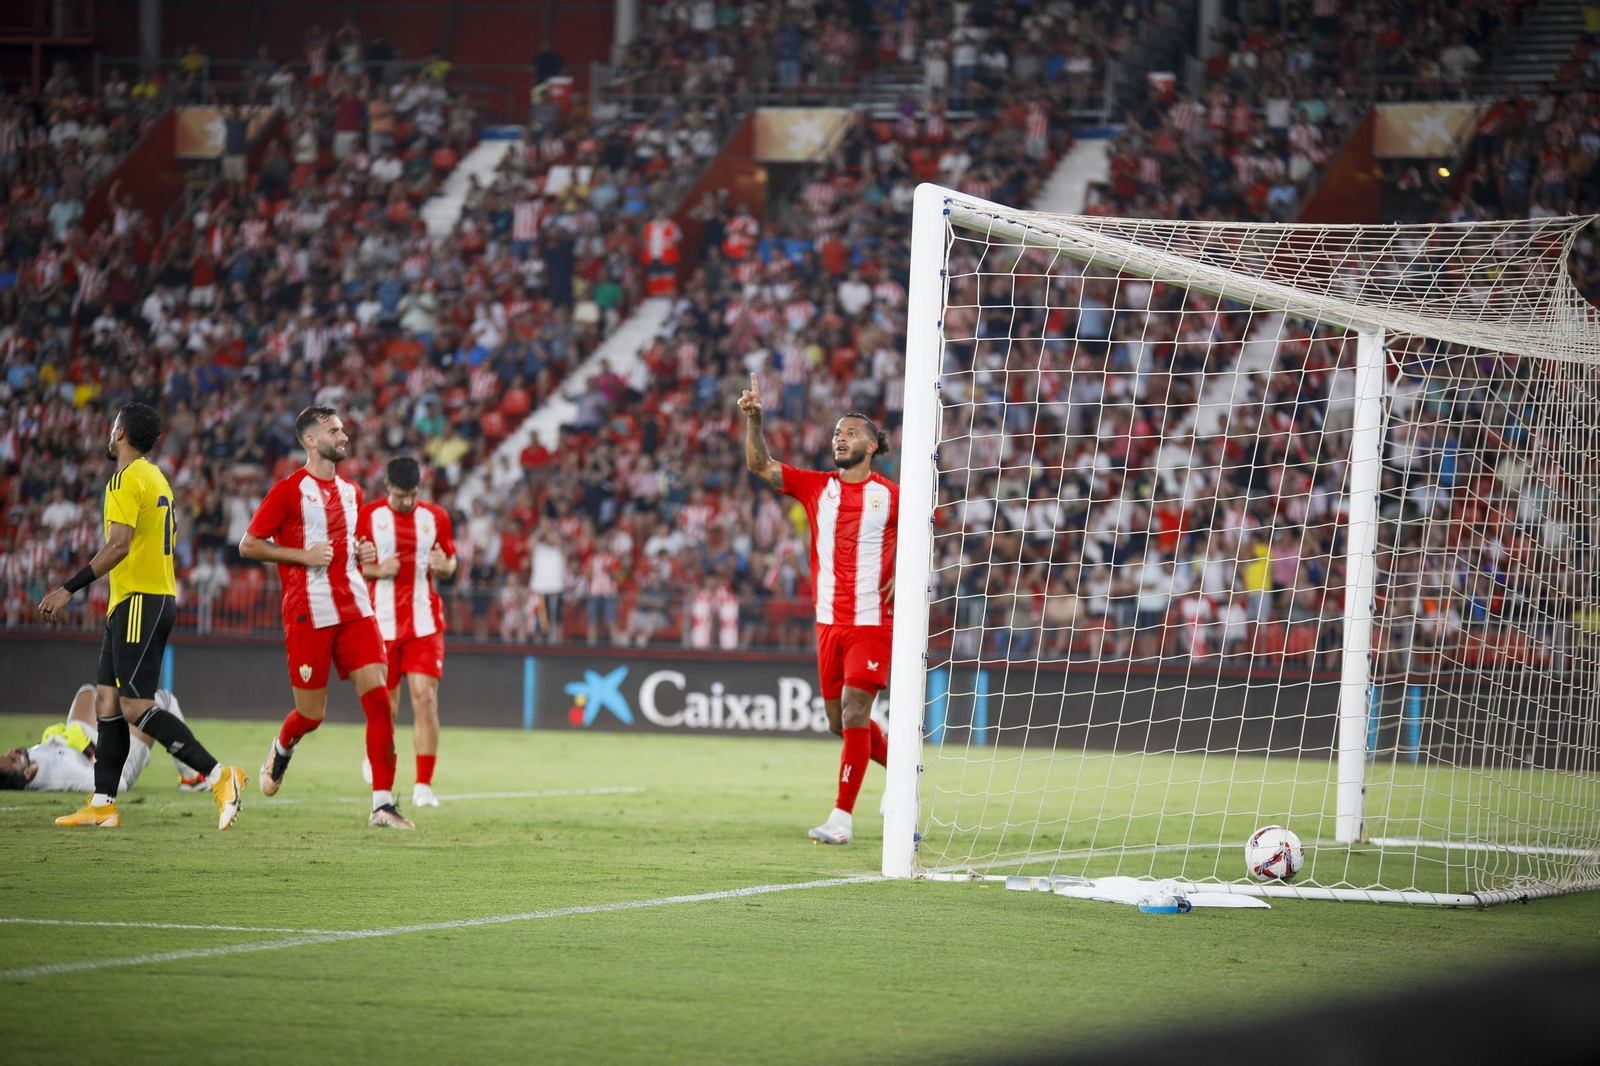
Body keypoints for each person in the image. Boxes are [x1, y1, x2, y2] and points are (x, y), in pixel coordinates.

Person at [35, 402, 247, 829]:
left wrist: (67, 589)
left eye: (113, 425)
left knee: (133, 705)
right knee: (107, 702)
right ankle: (102, 803)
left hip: (140, 601)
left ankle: (220, 774)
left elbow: (118, 545)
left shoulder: (125, 479)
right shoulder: (155, 475)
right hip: (139, 600)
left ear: (120, 434)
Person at [738, 374, 898, 845]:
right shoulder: (815, 488)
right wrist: (755, 420)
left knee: (853, 710)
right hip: (828, 623)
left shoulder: (892, 495)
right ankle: (907, 775)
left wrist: (906, 573)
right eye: (836, 433)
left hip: (872, 622)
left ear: (871, 445)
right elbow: (759, 463)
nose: (839, 438)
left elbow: (931, 539)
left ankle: (841, 819)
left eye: (850, 432)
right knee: (839, 722)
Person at [239, 405, 413, 830]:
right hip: (308, 612)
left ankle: (382, 805)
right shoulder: (287, 491)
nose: (344, 437)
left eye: (343, 430)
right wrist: (302, 556)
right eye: (334, 431)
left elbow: (347, 544)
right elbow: (249, 544)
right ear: (311, 440)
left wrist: (362, 552)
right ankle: (282, 746)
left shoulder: (353, 492)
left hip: (356, 607)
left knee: (379, 703)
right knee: (311, 716)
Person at [355, 456, 458, 808]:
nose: (406, 501)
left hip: (424, 624)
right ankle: (375, 752)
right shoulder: (368, 516)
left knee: (426, 701)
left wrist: (446, 567)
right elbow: (349, 567)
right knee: (387, 706)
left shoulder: (436, 518)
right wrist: (376, 569)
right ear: (387, 487)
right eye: (400, 495)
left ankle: (423, 786)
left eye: (411, 494)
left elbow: (450, 561)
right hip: (380, 623)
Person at [1, 685, 199, 793]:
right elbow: (116, 783)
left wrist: (57, 739)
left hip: (88, 746)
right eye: (13, 760)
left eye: (5, 754)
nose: (12, 751)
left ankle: (124, 714)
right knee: (163, 700)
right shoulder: (62, 772)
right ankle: (191, 779)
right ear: (27, 774)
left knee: (88, 692)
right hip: (117, 761)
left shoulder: (32, 763)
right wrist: (91, 749)